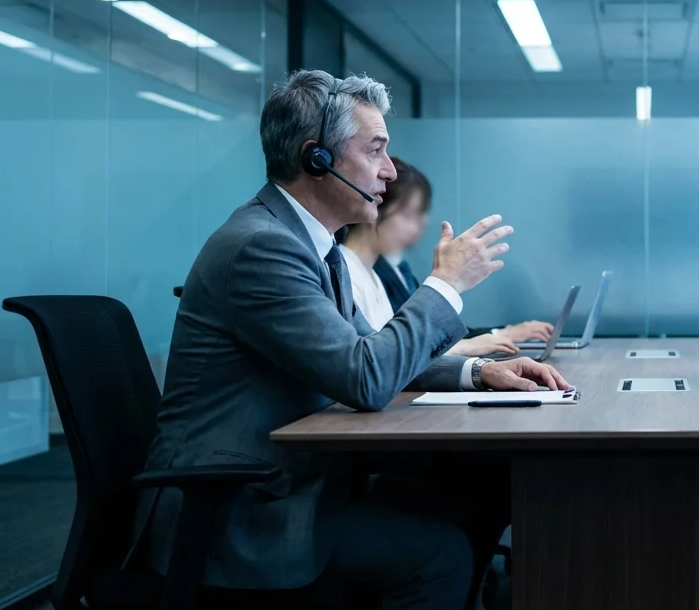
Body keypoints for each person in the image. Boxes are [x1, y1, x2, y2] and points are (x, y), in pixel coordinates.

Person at [138, 70, 571, 609]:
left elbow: (368, 350)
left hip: (296, 482)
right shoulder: (262, 248)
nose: (390, 172)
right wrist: (447, 284)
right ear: (316, 159)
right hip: (242, 513)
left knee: (476, 495)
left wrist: (479, 372)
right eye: (376, 150)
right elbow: (366, 379)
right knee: (441, 556)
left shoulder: (311, 245)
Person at [338, 156, 544, 357]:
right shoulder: (346, 274)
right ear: (376, 208)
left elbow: (399, 353)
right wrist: (447, 280)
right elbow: (383, 360)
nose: (421, 225)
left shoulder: (372, 274)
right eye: (410, 214)